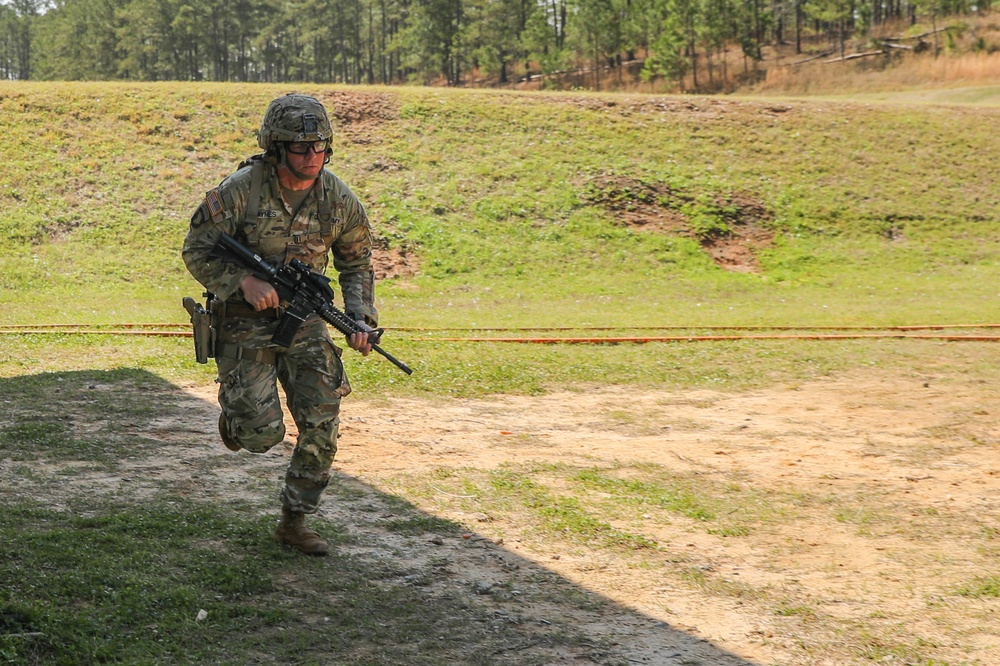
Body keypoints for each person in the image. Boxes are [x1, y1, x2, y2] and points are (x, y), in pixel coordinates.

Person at [182, 93, 378, 556]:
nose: (312, 157)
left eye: (320, 147)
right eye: (300, 147)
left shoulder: (339, 198)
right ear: (275, 147)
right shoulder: (240, 190)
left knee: (322, 418)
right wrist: (242, 281)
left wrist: (360, 318)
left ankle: (294, 521)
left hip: (306, 321)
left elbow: (357, 263)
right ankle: (238, 421)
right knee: (261, 436)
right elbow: (196, 249)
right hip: (243, 323)